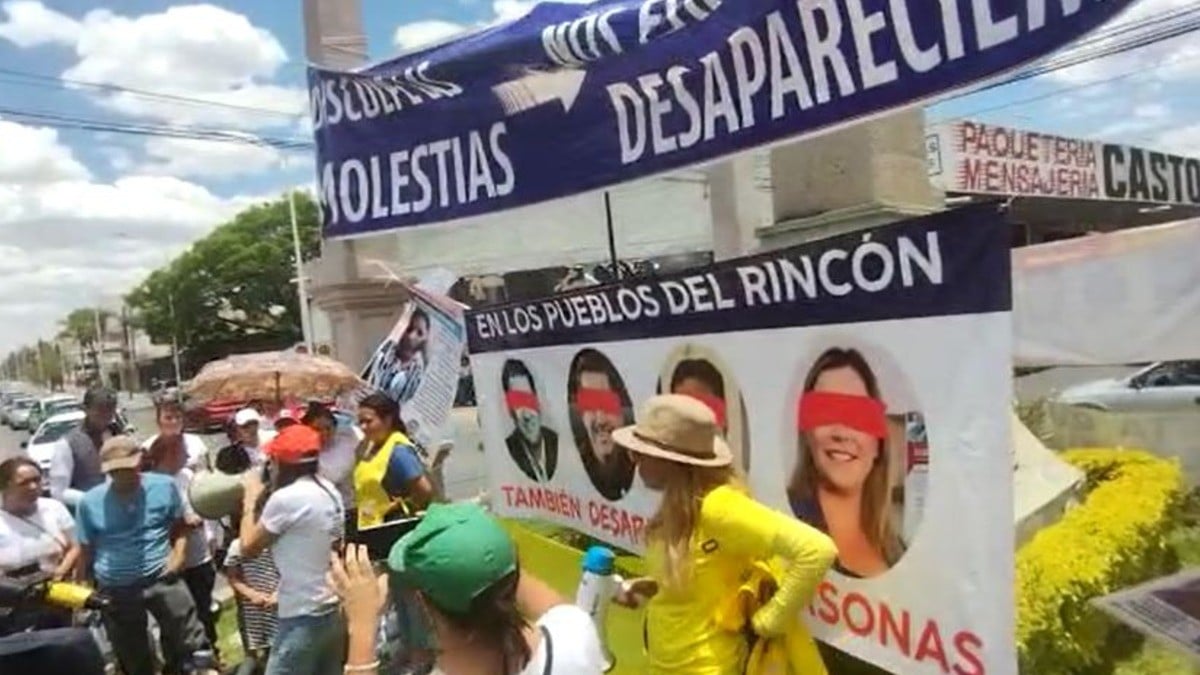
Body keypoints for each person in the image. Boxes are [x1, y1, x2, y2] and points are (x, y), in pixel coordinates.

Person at [612, 395, 837, 675]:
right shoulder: (681, 504)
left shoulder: (718, 506)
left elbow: (817, 550)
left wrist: (770, 621)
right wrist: (653, 584)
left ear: (672, 461)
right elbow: (708, 574)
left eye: (639, 453)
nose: (633, 461)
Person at [329, 508, 608, 675]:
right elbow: (527, 588)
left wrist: (362, 627)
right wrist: (476, 541)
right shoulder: (574, 635)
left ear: (423, 604)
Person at [75, 436, 214, 675]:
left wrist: (178, 555)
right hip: (116, 586)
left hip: (162, 575)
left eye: (127, 468)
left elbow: (179, 524)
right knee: (132, 654)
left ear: (139, 461)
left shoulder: (163, 486)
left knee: (191, 640)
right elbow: (85, 549)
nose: (122, 475)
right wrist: (82, 590)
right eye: (115, 471)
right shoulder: (90, 502)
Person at [787, 347, 904, 579]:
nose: (841, 433)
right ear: (807, 435)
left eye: (858, 415)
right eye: (824, 411)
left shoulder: (897, 549)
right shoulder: (783, 531)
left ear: (878, 443)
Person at [238, 424, 345, 675]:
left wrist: (250, 500)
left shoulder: (287, 499)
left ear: (281, 463)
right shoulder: (330, 489)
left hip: (302, 613)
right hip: (331, 607)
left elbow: (248, 548)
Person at [144, 435, 220, 666]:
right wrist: (183, 523)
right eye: (182, 452)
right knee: (174, 619)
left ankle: (210, 658)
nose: (188, 457)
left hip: (198, 555)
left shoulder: (188, 476)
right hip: (170, 560)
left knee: (203, 612)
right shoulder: (150, 483)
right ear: (168, 455)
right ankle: (176, 664)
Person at [0, 457, 80, 631]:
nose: (34, 487)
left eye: (37, 480)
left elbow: (75, 545)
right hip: (14, 605)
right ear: (5, 486)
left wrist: (60, 572)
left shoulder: (53, 508)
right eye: (24, 483)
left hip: (57, 595)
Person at [353, 393, 434, 531]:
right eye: (360, 422)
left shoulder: (398, 451)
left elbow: (425, 491)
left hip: (393, 528)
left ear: (388, 420)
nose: (363, 427)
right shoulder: (371, 447)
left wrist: (399, 508)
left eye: (368, 421)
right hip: (372, 526)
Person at [224, 492, 280, 675]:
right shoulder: (236, 547)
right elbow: (233, 577)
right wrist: (251, 594)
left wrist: (278, 594)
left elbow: (288, 571)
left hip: (278, 604)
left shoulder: (276, 542)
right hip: (253, 610)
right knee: (254, 651)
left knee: (278, 649)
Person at [569, 351, 634, 501]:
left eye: (608, 404)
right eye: (589, 404)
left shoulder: (642, 472)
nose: (600, 419)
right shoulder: (572, 470)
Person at [49, 386, 122, 509]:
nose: (106, 415)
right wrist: (92, 500)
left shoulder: (117, 434)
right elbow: (58, 491)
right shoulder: (67, 443)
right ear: (85, 409)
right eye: (100, 410)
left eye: (110, 409)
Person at [302, 403, 362, 531]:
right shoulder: (302, 454)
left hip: (349, 509)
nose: (324, 433)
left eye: (328, 428)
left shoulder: (349, 441)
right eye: (317, 429)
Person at [502, 359, 558, 482]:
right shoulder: (507, 450)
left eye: (528, 401)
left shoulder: (556, 441)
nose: (526, 416)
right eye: (517, 403)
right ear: (510, 411)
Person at [142, 399, 211, 471]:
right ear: (158, 422)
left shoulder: (196, 442)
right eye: (168, 418)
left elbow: (208, 470)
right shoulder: (148, 446)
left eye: (178, 417)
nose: (174, 422)